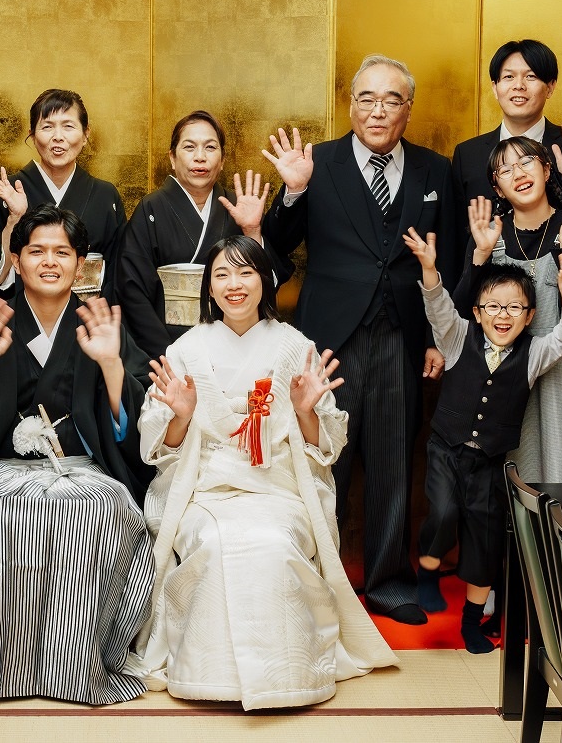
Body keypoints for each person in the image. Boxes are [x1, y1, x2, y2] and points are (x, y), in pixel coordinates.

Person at [0, 205, 153, 706]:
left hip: (84, 469)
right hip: (0, 469)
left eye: (63, 252)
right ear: (16, 259)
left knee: (98, 509)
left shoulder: (99, 322)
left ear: (81, 264)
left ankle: (79, 664)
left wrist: (110, 365)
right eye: (36, 250)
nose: (49, 261)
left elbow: (134, 420)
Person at [133, 235, 397, 709]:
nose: (235, 285)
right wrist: (180, 417)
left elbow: (325, 449)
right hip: (205, 490)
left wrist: (305, 413)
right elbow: (162, 452)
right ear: (207, 289)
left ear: (266, 280)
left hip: (277, 487)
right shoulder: (184, 351)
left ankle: (289, 674)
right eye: (222, 274)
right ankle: (209, 676)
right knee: (212, 545)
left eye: (246, 272)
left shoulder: (296, 348)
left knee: (275, 544)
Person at [262, 54, 456, 625]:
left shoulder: (434, 169)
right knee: (326, 459)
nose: (377, 110)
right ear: (350, 104)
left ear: (407, 109)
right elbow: (275, 247)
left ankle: (388, 582)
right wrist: (293, 193)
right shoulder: (315, 162)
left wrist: (440, 335)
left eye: (390, 100)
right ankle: (317, 576)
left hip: (402, 330)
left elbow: (445, 256)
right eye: (366, 99)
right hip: (329, 336)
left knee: (395, 456)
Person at [404, 228, 562, 652]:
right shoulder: (456, 337)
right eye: (493, 306)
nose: (502, 315)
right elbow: (437, 306)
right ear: (477, 310)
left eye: (514, 308)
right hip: (446, 451)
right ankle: (428, 570)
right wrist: (430, 269)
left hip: (490, 464)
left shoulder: (535, 352)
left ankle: (472, 624)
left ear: (529, 315)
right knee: (445, 511)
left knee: (484, 547)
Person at [454, 134, 562, 484]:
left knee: (560, 473)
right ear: (498, 188)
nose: (518, 173)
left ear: (547, 170)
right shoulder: (491, 234)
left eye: (526, 162)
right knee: (510, 479)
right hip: (504, 377)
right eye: (505, 170)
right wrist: (481, 255)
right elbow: (462, 308)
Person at [116, 110, 292, 360]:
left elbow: (268, 282)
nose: (200, 157)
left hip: (234, 343)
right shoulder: (151, 208)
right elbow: (132, 290)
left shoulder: (240, 206)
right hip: (167, 345)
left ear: (221, 160)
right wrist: (167, 356)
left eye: (210, 147)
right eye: (189, 147)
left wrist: (252, 231)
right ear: (172, 158)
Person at [0, 88, 126, 300]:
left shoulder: (106, 195)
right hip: (20, 319)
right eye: (47, 127)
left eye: (68, 126)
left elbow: (118, 269)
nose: (57, 137)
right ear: (32, 135)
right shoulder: (8, 190)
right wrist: (14, 219)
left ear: (86, 134)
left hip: (86, 320)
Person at [450, 39, 562, 214]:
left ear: (550, 87)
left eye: (530, 76)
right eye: (509, 77)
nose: (519, 86)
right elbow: (459, 231)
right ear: (495, 88)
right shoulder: (467, 155)